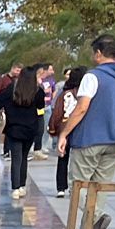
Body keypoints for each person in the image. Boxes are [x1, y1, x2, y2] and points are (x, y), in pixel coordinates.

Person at [55, 36, 115, 189]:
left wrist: (64, 134)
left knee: (79, 186)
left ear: (98, 53)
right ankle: (98, 206)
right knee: (101, 187)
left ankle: (88, 207)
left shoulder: (92, 76)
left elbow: (81, 108)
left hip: (89, 139)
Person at [2, 65, 45, 200]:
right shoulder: (38, 91)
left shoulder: (12, 88)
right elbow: (41, 106)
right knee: (24, 157)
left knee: (16, 158)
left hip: (14, 128)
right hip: (30, 128)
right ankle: (22, 185)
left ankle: (15, 188)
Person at [50, 65, 84, 195]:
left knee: (63, 158)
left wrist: (54, 128)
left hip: (65, 127)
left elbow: (57, 112)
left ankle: (61, 187)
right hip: (81, 128)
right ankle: (75, 186)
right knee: (78, 159)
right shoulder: (86, 94)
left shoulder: (65, 94)